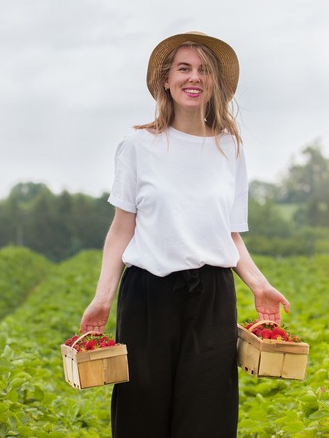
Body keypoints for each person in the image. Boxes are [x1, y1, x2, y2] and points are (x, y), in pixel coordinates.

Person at [79, 31, 290, 438]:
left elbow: (229, 234)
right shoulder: (138, 145)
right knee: (142, 413)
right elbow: (122, 230)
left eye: (204, 70)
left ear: (215, 83)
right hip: (149, 296)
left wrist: (259, 285)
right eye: (184, 68)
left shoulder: (230, 148)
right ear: (166, 80)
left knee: (208, 414)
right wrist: (102, 298)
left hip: (211, 297)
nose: (194, 78)